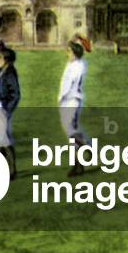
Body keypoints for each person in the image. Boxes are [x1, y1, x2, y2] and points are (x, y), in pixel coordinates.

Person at [0, 47, 21, 178]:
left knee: (4, 138)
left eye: (1, 57)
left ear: (6, 60)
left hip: (2, 106)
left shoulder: (10, 73)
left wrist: (7, 109)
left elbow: (15, 94)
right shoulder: (0, 71)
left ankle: (12, 169)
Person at [59, 41, 89, 176]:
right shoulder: (72, 64)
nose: (67, 53)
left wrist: (62, 96)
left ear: (75, 53)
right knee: (71, 133)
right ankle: (78, 165)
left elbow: (70, 83)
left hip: (71, 99)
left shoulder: (78, 65)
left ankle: (87, 146)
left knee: (70, 130)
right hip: (68, 99)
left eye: (69, 51)